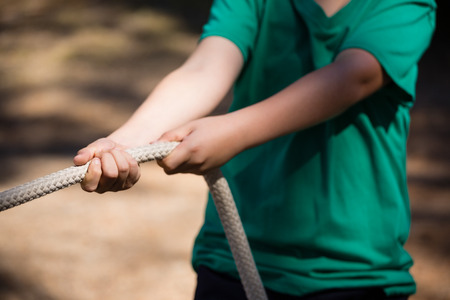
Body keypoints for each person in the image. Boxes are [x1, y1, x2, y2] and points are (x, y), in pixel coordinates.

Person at [73, 0, 436, 299]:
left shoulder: (404, 4)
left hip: (352, 272)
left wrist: (233, 132)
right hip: (232, 256)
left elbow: (355, 75)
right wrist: (127, 142)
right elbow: (205, 67)